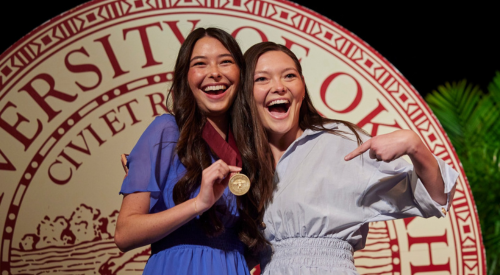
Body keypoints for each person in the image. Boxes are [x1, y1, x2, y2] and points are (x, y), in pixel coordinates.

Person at [242, 42, 458, 275]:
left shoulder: (339, 144)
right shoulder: (244, 163)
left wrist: (413, 145)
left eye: (289, 76)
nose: (279, 87)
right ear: (245, 94)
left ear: (303, 89)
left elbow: (437, 196)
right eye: (262, 79)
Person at [114, 28, 274, 275]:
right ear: (185, 77)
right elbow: (125, 234)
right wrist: (198, 204)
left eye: (226, 62)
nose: (214, 73)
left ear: (241, 74)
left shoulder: (251, 149)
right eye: (200, 64)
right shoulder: (166, 131)